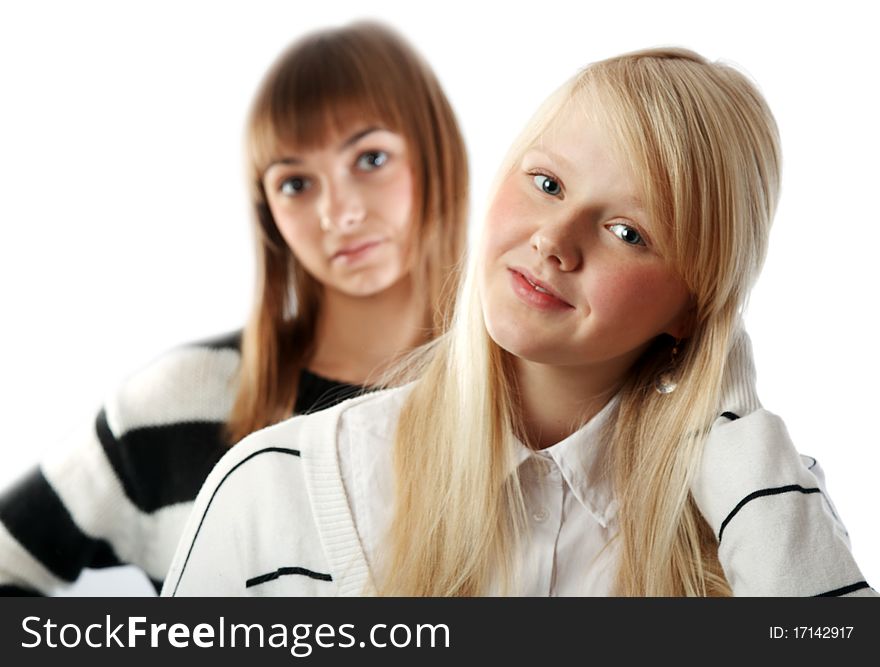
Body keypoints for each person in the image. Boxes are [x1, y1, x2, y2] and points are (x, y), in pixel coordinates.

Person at [163, 47, 875, 597]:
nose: (554, 240)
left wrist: (743, 438)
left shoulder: (763, 512)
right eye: (547, 184)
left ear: (693, 308)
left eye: (627, 231)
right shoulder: (275, 491)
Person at [0, 21, 468, 595]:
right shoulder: (177, 404)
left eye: (370, 159)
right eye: (296, 184)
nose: (339, 213)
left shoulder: (533, 396)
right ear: (267, 209)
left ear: (436, 153)